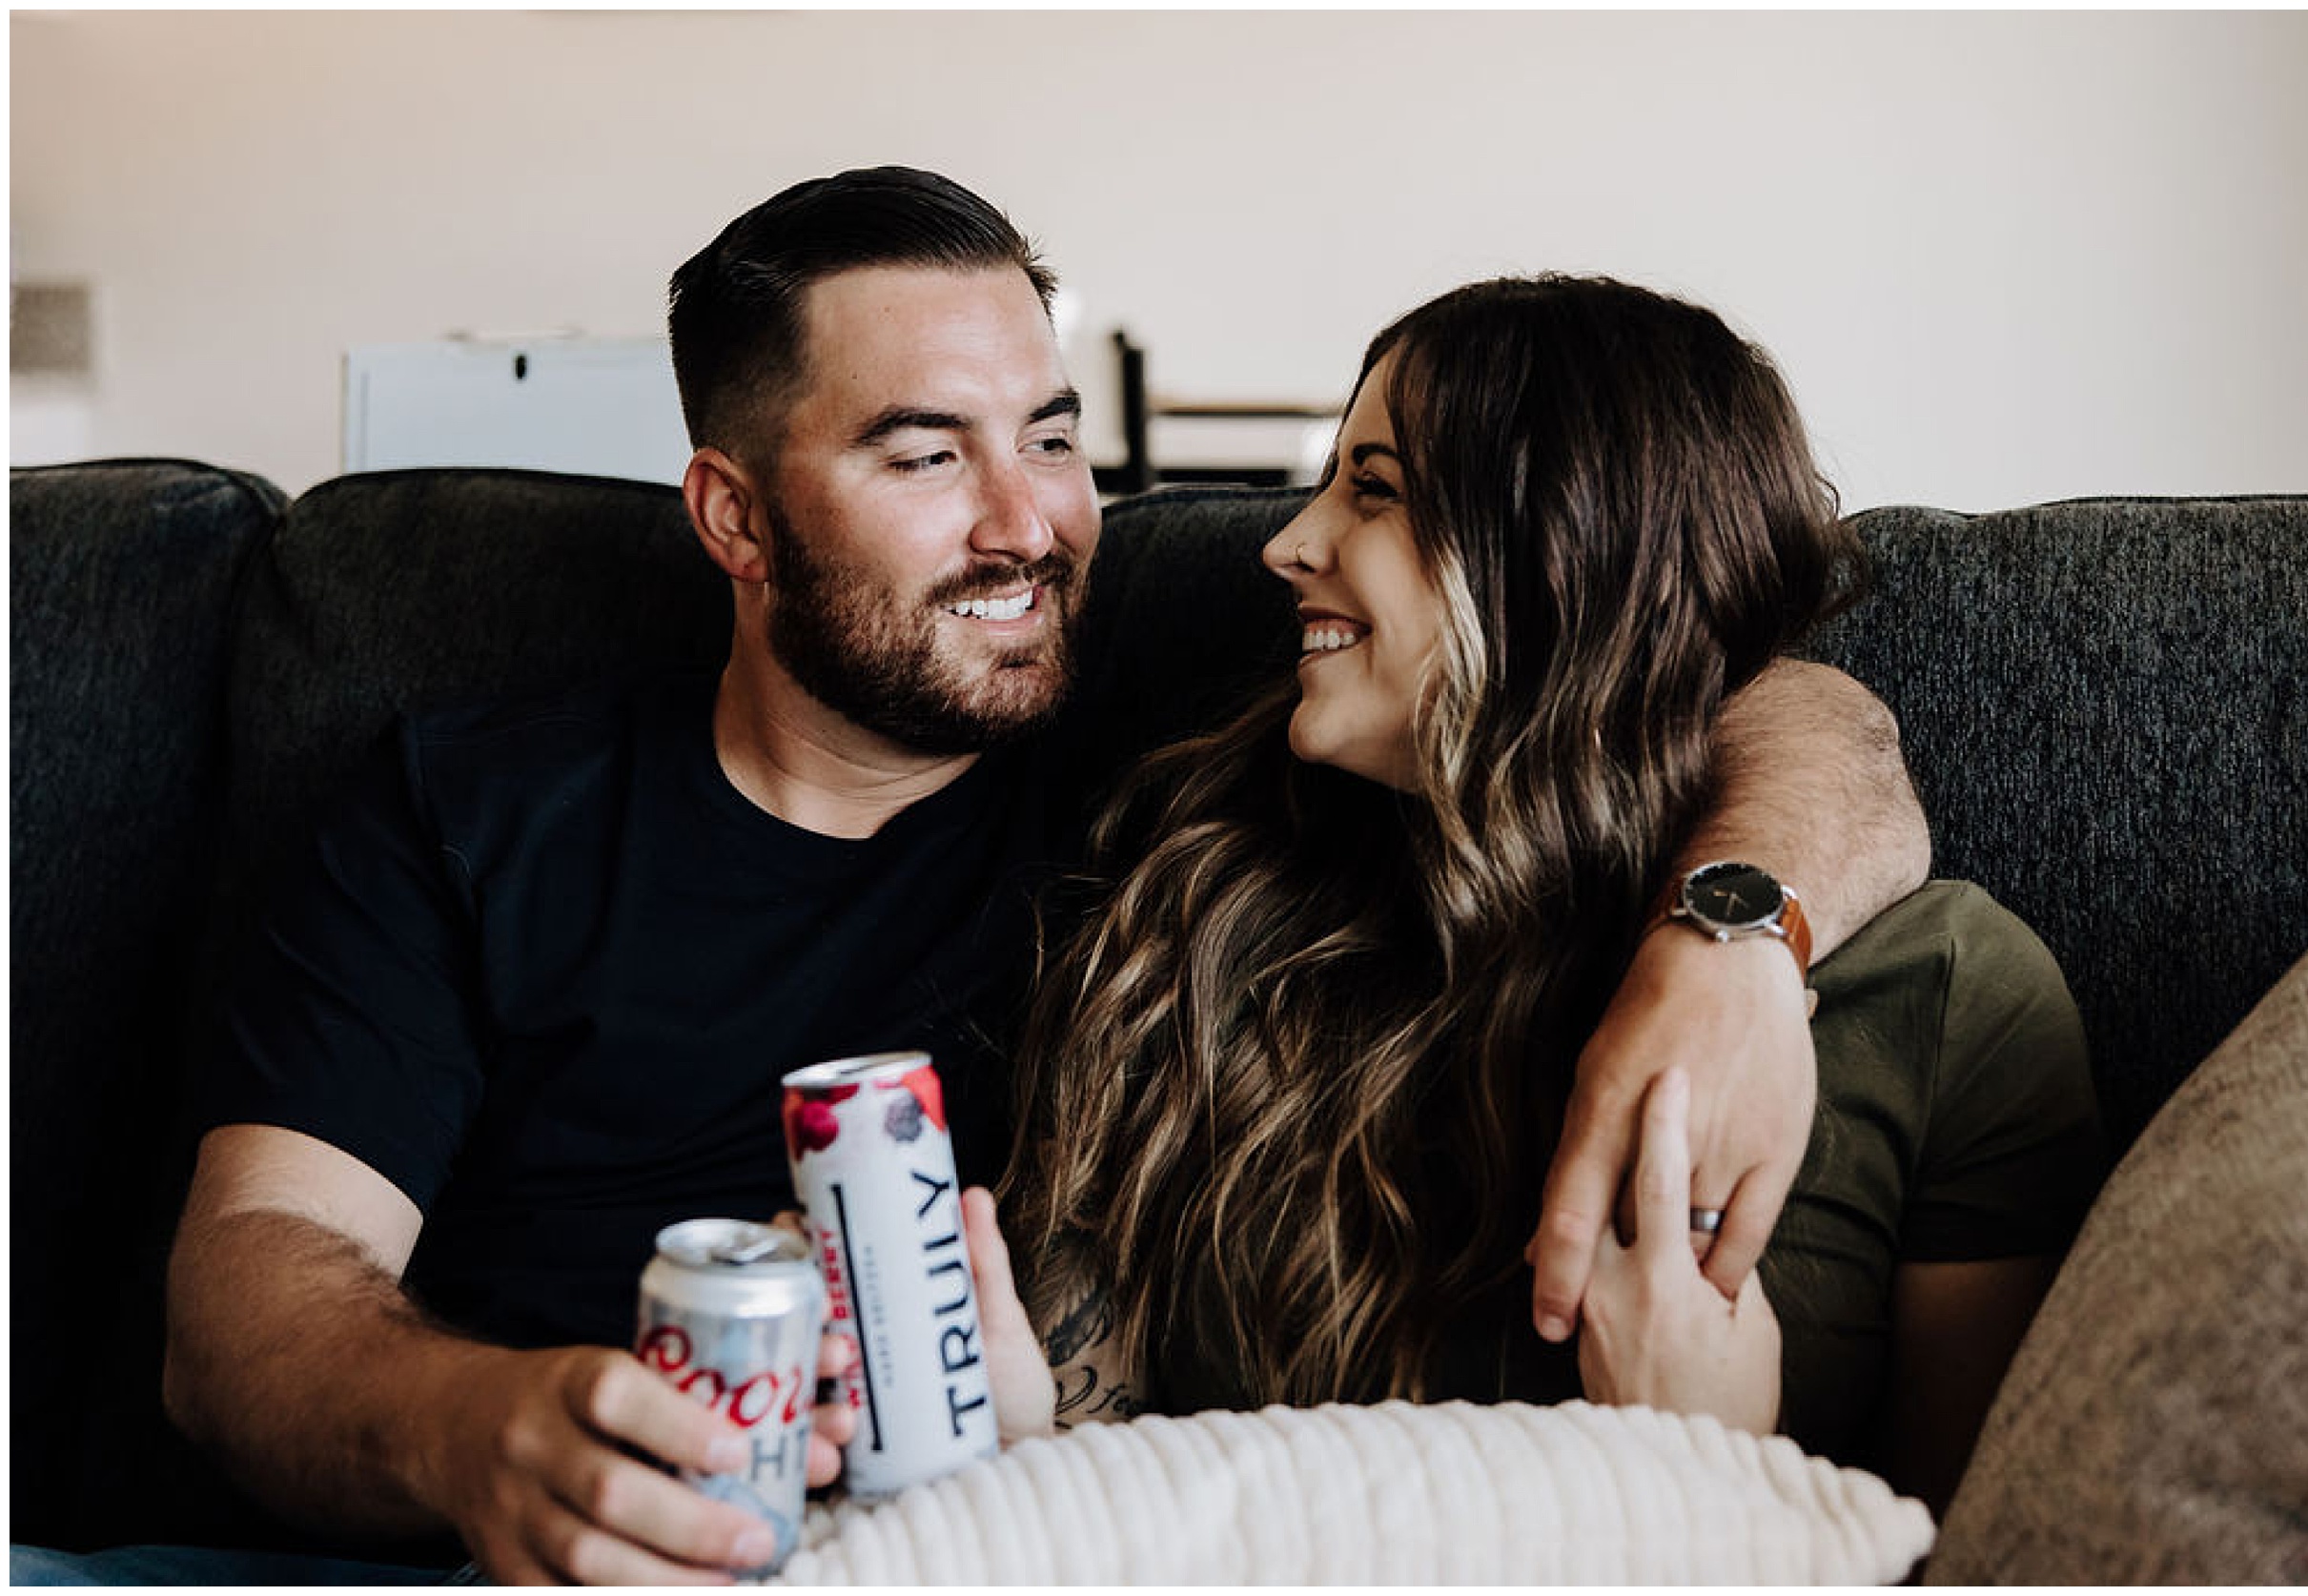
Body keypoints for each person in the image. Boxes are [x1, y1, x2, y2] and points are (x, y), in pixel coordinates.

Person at [90, 172, 1926, 1585]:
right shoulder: (463, 812)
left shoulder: (1190, 764)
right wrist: (476, 1428)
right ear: (733, 515)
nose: (1027, 522)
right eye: (926, 451)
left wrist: (1737, 931)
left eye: (1050, 434)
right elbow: (253, 1283)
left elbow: (1720, 667)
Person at [993, 274, 2104, 1512]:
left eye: (1375, 490)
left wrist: (1719, 1465)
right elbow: (1072, 1450)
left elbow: (1995, 1547)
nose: (1287, 544)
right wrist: (1009, 1426)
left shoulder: (1947, 996)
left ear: (1566, 558)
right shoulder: (1193, 912)